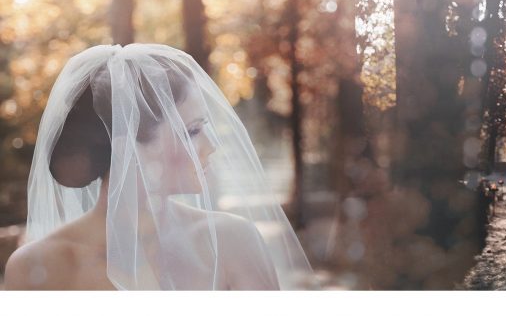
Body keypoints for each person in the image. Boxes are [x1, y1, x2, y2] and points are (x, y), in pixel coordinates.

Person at [4, 44, 313, 290]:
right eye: (192, 131)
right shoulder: (36, 268)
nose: (212, 144)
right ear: (128, 149)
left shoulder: (234, 242)